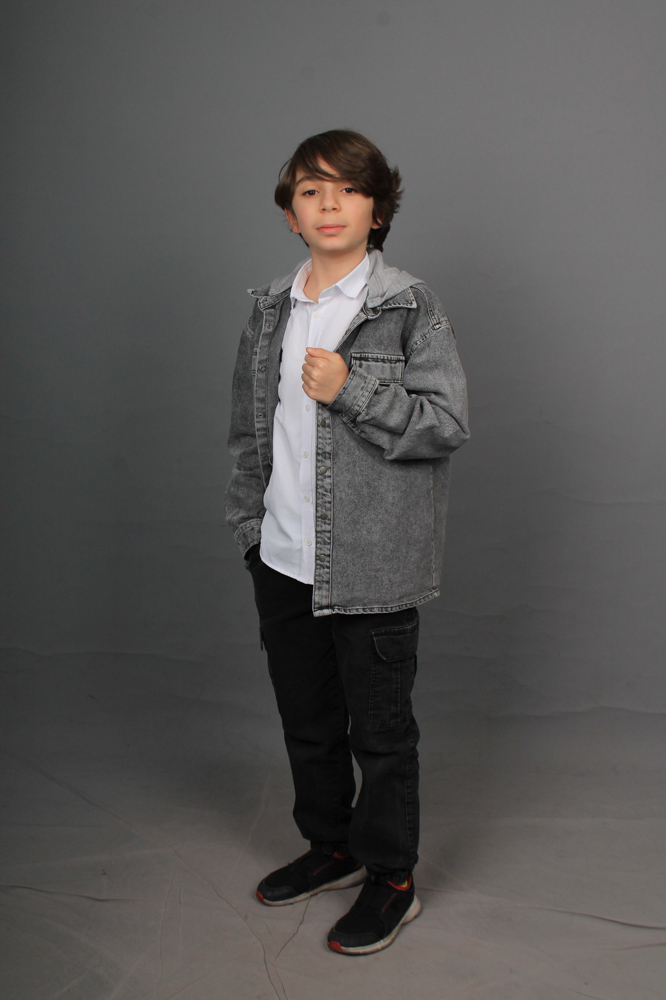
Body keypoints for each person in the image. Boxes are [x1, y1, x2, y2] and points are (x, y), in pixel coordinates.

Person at [225, 129, 469, 955]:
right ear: (290, 215)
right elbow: (247, 432)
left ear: (377, 210)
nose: (329, 203)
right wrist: (251, 530)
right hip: (282, 557)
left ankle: (392, 880)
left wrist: (353, 390)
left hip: (374, 564)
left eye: (349, 188)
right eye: (310, 190)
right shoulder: (270, 309)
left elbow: (445, 424)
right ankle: (332, 847)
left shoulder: (409, 306)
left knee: (382, 736)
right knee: (309, 723)